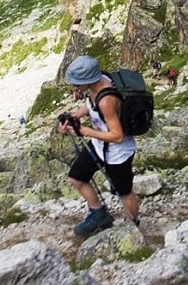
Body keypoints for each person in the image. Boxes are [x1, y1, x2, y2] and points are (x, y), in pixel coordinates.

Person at [58, 55, 139, 236]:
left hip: (118, 152)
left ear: (88, 80)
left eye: (77, 84)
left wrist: (85, 131)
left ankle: (132, 227)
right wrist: (74, 117)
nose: (75, 88)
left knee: (124, 192)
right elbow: (90, 106)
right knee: (76, 178)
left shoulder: (106, 100)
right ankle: (98, 213)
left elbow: (117, 136)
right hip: (99, 144)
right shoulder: (99, 80)